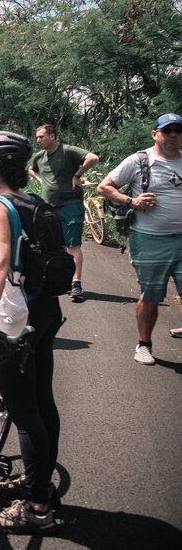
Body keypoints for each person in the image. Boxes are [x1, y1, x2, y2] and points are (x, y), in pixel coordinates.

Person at [0, 130, 63, 534]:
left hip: (13, 319)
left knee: (23, 411)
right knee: (41, 401)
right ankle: (40, 483)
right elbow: (17, 260)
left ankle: (37, 508)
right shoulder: (31, 200)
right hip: (43, 310)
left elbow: (1, 260)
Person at [97, 112, 182, 365]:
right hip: (149, 239)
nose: (173, 135)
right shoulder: (139, 161)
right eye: (167, 131)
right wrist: (131, 201)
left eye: (178, 130)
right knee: (151, 295)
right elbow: (104, 187)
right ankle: (144, 344)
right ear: (155, 134)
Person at [29, 124, 99, 302]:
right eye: (37, 137)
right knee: (57, 246)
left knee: (72, 246)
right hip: (49, 207)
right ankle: (63, 281)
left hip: (70, 204)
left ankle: (76, 283)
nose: (38, 140)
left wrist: (78, 174)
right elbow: (31, 169)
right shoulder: (40, 156)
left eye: (42, 136)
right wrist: (42, 181)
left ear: (52, 136)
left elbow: (93, 158)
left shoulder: (67, 150)